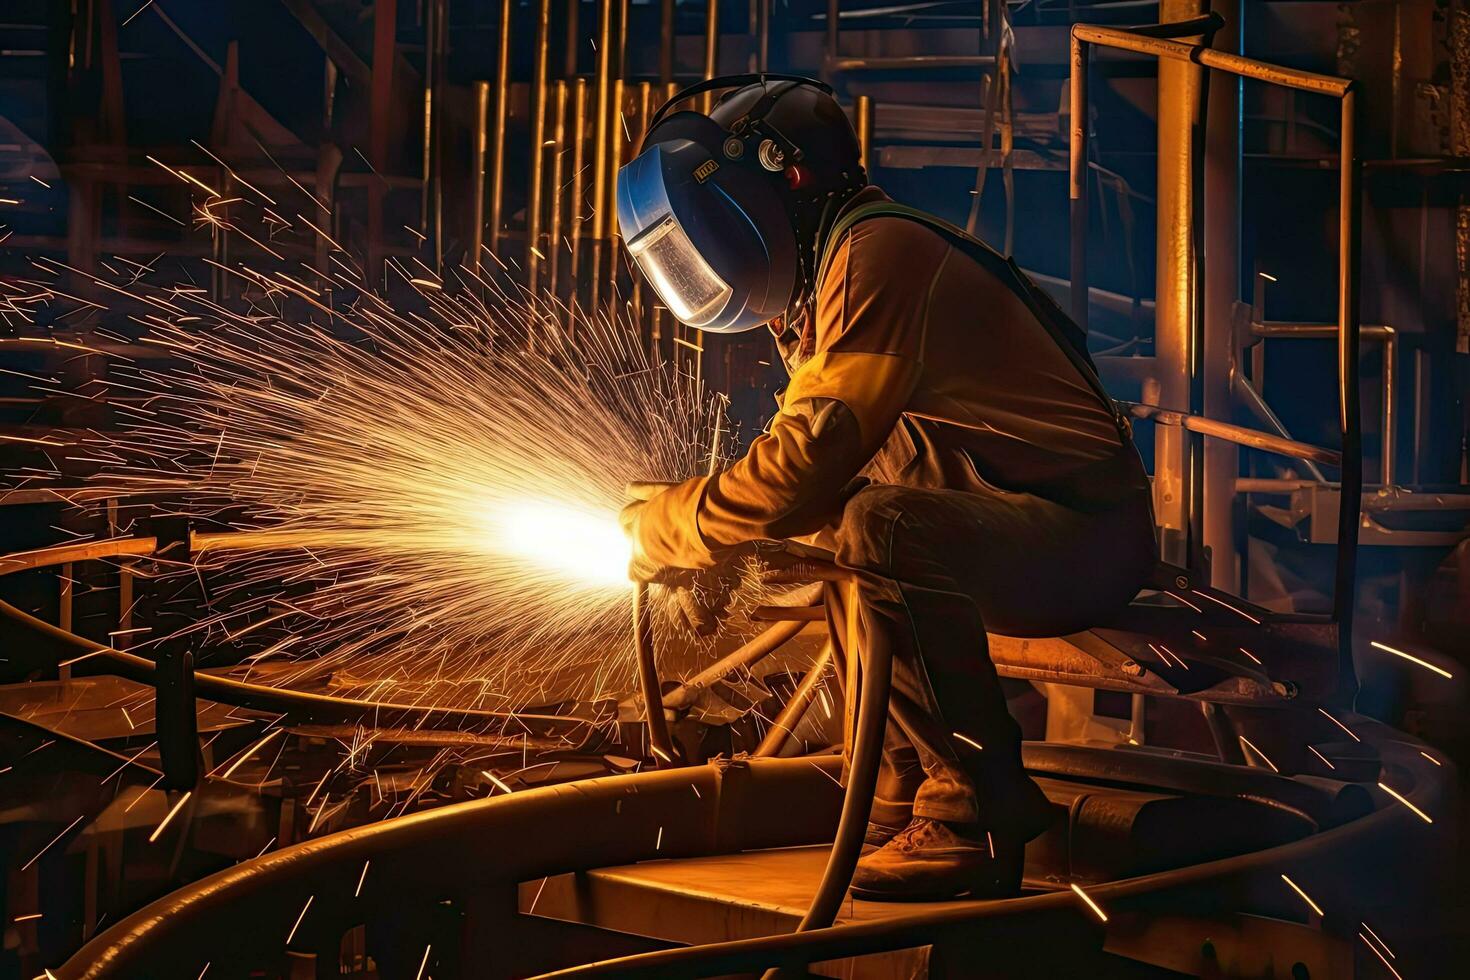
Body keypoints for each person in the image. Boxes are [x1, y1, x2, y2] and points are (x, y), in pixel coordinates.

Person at [616, 75, 1157, 901]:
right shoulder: (831, 274)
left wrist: (673, 528)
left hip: (1084, 537)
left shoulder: (881, 254)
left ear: (784, 175)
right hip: (1012, 520)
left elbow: (808, 460)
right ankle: (903, 781)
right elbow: (814, 480)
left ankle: (974, 808)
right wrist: (723, 540)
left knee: (883, 528)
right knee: (850, 527)